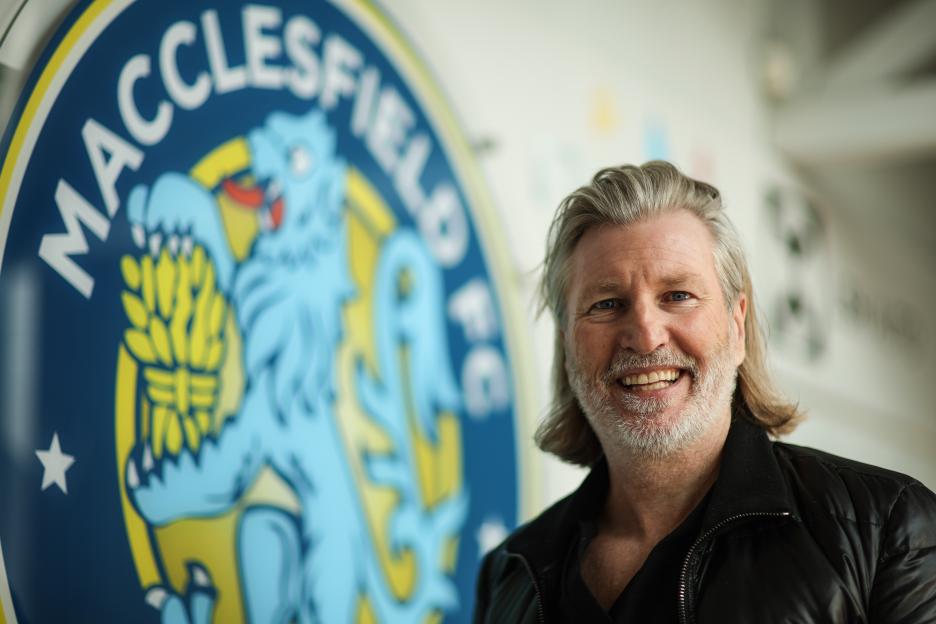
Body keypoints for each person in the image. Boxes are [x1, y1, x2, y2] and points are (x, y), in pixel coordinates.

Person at [473, 162, 936, 623]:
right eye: (607, 304)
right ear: (566, 344)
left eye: (678, 296)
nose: (646, 334)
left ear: (737, 326)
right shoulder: (510, 573)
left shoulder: (887, 530)